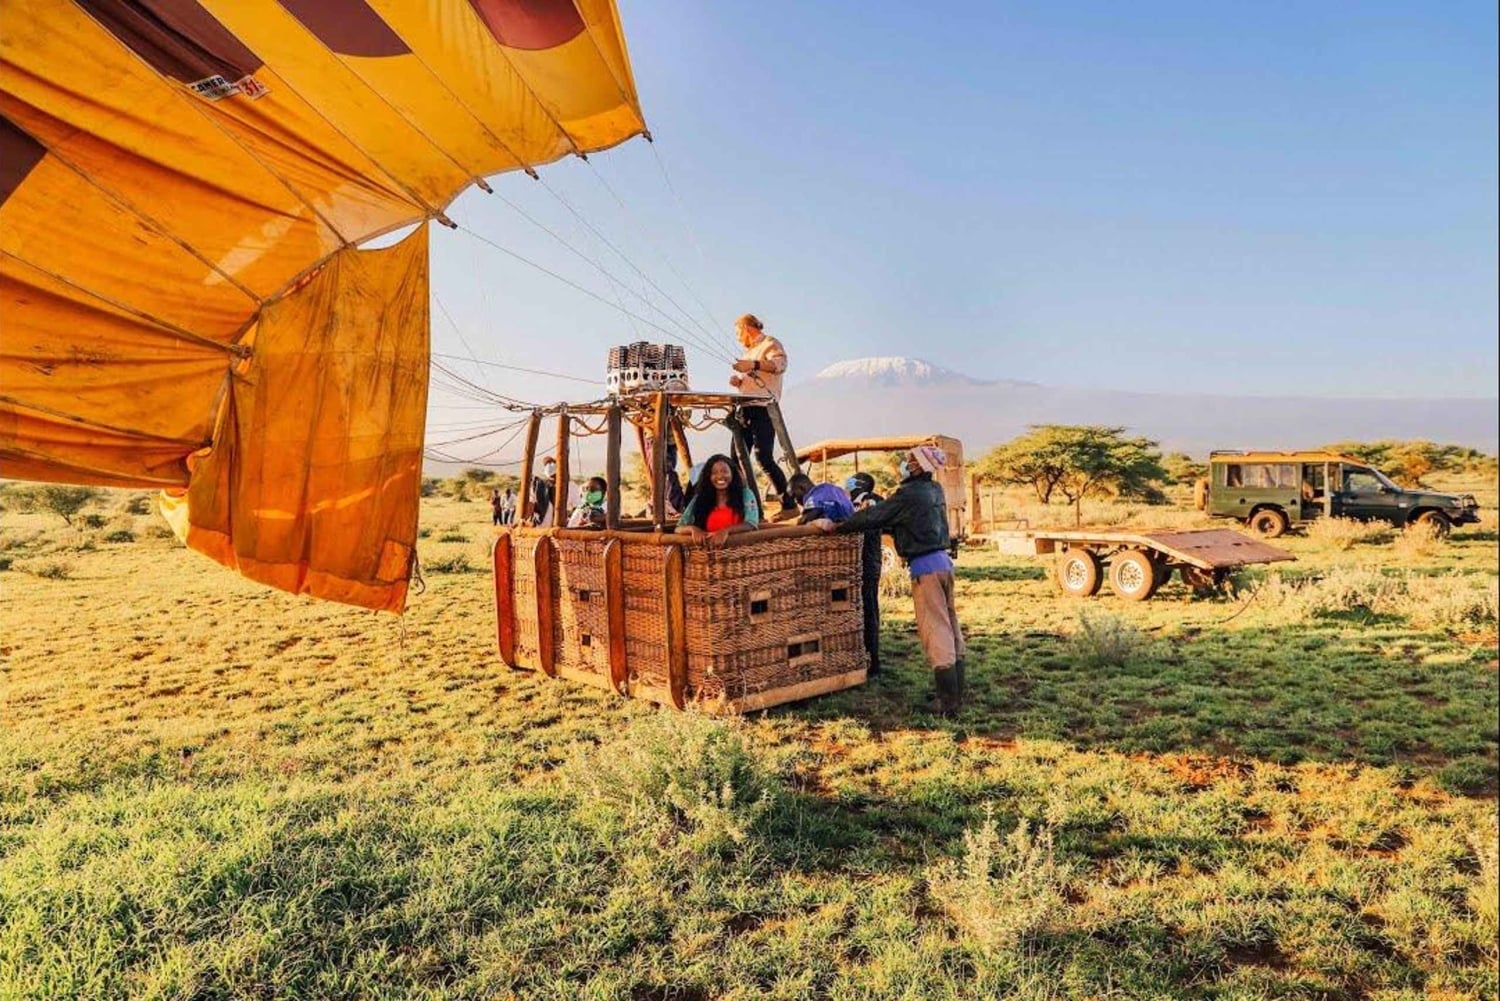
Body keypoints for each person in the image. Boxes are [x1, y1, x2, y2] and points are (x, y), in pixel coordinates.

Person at [816, 446, 963, 714]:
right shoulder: (934, 490)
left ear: (918, 467)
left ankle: (947, 702)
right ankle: (956, 692)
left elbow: (875, 516)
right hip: (943, 563)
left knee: (935, 629)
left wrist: (840, 526)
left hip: (925, 567)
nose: (905, 465)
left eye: (909, 461)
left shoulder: (908, 495)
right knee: (950, 624)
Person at [727, 314, 793, 514]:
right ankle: (748, 507)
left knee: (763, 457)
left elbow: (779, 366)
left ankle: (789, 505)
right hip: (745, 408)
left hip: (763, 408)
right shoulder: (749, 352)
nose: (738, 338)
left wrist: (753, 364)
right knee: (736, 459)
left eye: (738, 332)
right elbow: (751, 379)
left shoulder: (770, 343)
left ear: (747, 328)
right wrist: (739, 382)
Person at [844, 471, 885, 677]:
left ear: (859, 484)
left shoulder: (872, 501)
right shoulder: (852, 502)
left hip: (868, 564)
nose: (847, 482)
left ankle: (873, 661)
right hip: (856, 564)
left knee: (869, 610)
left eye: (851, 479)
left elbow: (866, 528)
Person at [676, 453, 760, 547]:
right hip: (708, 554)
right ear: (708, 477)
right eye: (714, 473)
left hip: (741, 552)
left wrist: (725, 531)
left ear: (732, 474)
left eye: (725, 471)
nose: (720, 476)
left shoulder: (745, 494)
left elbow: (751, 523)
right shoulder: (699, 499)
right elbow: (679, 528)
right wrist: (693, 529)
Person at [788, 472, 854, 525]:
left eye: (794, 495)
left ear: (802, 488)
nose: (795, 500)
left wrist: (801, 521)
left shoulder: (813, 497)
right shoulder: (832, 488)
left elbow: (807, 518)